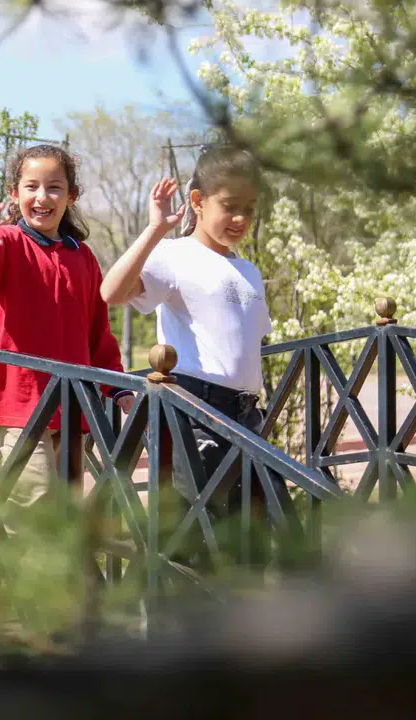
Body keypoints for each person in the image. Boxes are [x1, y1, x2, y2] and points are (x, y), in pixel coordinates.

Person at [0, 144, 130, 512]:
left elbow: (98, 334)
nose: (42, 197)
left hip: (74, 407)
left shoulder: (83, 257)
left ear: (71, 196)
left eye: (54, 187)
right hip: (19, 407)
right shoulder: (7, 241)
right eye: (31, 187)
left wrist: (117, 386)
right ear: (15, 192)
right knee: (30, 508)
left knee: (66, 513)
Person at [99, 145, 279, 525]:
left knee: (255, 534)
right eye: (230, 206)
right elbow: (111, 293)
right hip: (195, 415)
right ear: (197, 201)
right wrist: (154, 230)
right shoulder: (175, 254)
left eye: (249, 208)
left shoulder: (248, 270)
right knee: (198, 537)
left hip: (247, 417)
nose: (240, 218)